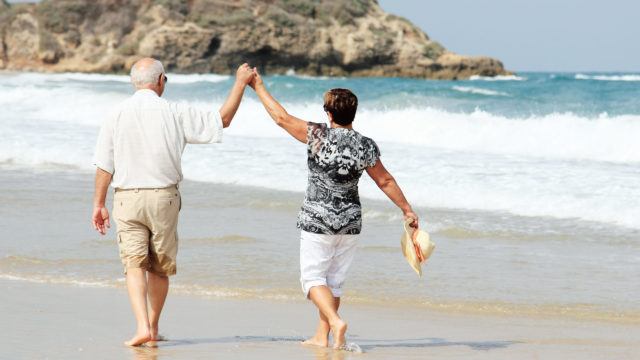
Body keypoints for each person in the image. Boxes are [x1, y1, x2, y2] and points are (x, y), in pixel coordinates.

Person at [248, 69, 419, 349]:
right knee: (334, 282)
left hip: (317, 219)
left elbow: (280, 117)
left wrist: (257, 86)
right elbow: (385, 180)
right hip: (350, 223)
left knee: (313, 280)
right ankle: (321, 336)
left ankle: (336, 323)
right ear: (353, 113)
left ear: (328, 113)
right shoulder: (366, 145)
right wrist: (407, 209)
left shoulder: (317, 134)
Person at [91, 58, 254, 346]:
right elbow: (222, 120)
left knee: (134, 265)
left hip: (127, 198)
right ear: (161, 80)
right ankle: (152, 329)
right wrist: (240, 83)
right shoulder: (174, 111)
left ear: (134, 82)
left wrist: (98, 204)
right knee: (159, 267)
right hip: (163, 197)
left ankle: (141, 326)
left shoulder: (115, 114)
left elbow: (105, 165)